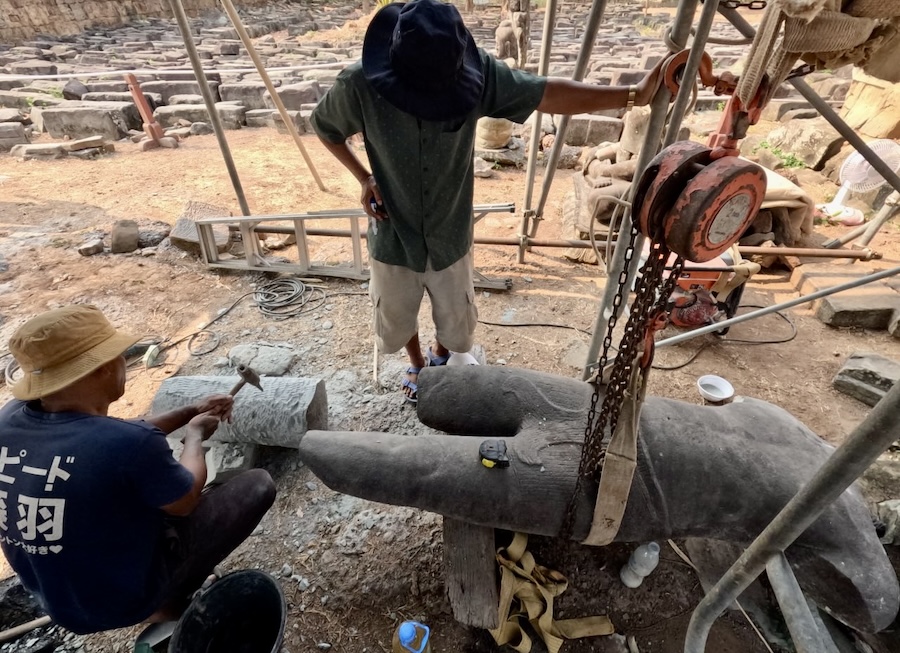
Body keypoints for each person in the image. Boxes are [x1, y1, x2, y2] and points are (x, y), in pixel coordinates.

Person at [311, 0, 668, 402]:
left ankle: (440, 354)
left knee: (456, 317)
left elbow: (546, 92)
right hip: (393, 231)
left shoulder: (476, 75)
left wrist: (633, 95)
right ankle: (417, 362)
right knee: (397, 310)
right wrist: (365, 177)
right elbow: (325, 128)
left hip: (450, 229)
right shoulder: (359, 84)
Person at [0, 304, 276, 634]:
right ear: (101, 369)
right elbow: (185, 496)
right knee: (256, 486)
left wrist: (190, 410)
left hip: (57, 599)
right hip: (118, 603)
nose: (124, 363)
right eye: (120, 356)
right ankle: (163, 600)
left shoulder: (10, 418)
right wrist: (194, 435)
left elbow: (115, 435)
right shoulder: (127, 445)